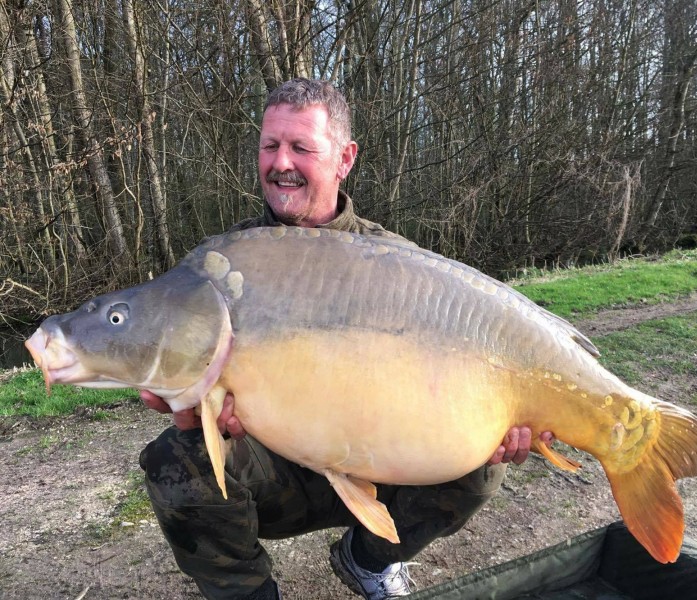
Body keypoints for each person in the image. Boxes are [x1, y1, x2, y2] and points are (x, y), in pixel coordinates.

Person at [139, 78, 536, 600]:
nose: (281, 162)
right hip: (277, 467)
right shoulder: (224, 264)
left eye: (301, 147)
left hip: (385, 459)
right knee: (177, 457)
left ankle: (367, 560)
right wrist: (196, 411)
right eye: (270, 145)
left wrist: (496, 424)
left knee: (480, 467)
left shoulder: (399, 263)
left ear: (344, 158)